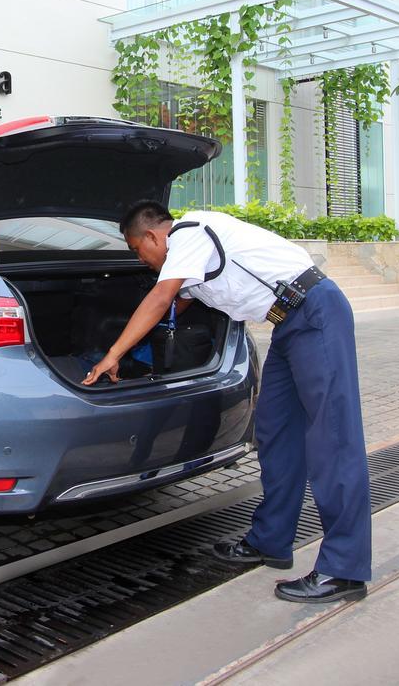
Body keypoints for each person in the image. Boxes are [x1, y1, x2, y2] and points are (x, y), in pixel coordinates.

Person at [82, 200, 371, 604]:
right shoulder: (188, 256)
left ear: (152, 235)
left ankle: (344, 570)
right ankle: (271, 540)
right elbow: (176, 301)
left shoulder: (191, 233)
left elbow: (161, 298)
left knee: (332, 437)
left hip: (315, 313)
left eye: (136, 249)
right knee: (274, 431)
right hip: (288, 326)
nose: (140, 259)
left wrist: (112, 353)